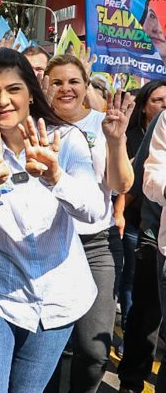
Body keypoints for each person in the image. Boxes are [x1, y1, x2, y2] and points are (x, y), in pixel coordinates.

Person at [0, 47, 105, 392]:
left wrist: (55, 177)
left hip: (57, 298)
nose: (2, 101)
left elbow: (94, 210)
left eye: (13, 89)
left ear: (31, 91)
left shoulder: (66, 140)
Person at [43, 54, 133, 391]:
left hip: (96, 244)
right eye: (58, 82)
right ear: (45, 85)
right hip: (47, 244)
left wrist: (115, 140)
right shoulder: (33, 124)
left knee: (94, 350)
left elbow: (121, 185)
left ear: (85, 84)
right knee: (46, 345)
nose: (66, 88)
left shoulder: (105, 122)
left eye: (73, 81)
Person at [118, 106, 166, 393]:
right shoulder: (163, 122)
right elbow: (144, 178)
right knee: (146, 315)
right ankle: (132, 380)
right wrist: (120, 212)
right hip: (152, 235)